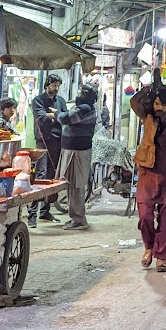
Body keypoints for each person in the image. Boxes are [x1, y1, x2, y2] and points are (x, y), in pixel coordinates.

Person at [130, 78, 166, 273]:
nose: (158, 107)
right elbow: (134, 102)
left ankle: (161, 257)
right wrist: (149, 89)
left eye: (162, 104)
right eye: (156, 103)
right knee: (145, 217)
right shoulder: (146, 117)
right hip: (147, 173)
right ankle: (149, 246)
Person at [56, 85, 98, 230]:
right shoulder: (84, 107)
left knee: (76, 186)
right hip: (74, 150)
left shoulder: (85, 108)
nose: (79, 94)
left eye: (82, 92)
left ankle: (79, 220)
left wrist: (56, 114)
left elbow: (67, 118)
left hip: (78, 152)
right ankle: (75, 217)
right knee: (71, 185)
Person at [28, 74, 65, 226]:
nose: (55, 88)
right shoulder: (38, 100)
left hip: (57, 142)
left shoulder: (61, 101)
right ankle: (32, 215)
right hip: (42, 142)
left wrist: (54, 115)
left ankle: (45, 212)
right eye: (53, 85)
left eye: (57, 86)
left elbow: (65, 117)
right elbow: (41, 118)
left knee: (51, 176)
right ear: (47, 85)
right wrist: (54, 115)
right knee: (40, 175)